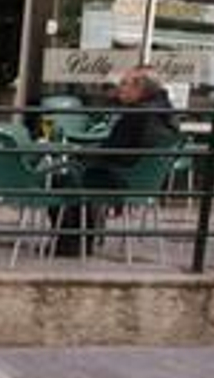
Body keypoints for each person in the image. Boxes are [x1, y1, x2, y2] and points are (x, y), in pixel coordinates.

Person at [53, 65, 179, 257]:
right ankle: (81, 240)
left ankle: (72, 244)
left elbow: (112, 150)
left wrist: (81, 154)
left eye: (124, 84)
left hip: (121, 178)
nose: (119, 88)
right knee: (79, 172)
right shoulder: (167, 112)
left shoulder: (137, 114)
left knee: (61, 179)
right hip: (146, 181)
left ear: (140, 88)